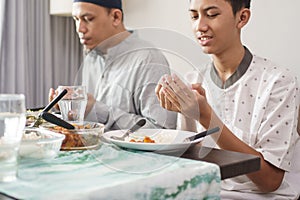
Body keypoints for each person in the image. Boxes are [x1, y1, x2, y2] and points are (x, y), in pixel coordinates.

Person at [155, 0, 300, 199]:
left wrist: (207, 117)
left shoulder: (278, 82)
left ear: (242, 18)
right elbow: (188, 164)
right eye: (194, 16)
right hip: (203, 191)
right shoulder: (193, 80)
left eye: (212, 14)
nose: (200, 26)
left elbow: (270, 181)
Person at [49, 0, 177, 131]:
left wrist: (97, 110)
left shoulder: (148, 59)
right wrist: (72, 110)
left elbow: (162, 132)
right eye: (76, 19)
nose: (80, 29)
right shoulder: (91, 57)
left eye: (88, 19)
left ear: (116, 17)